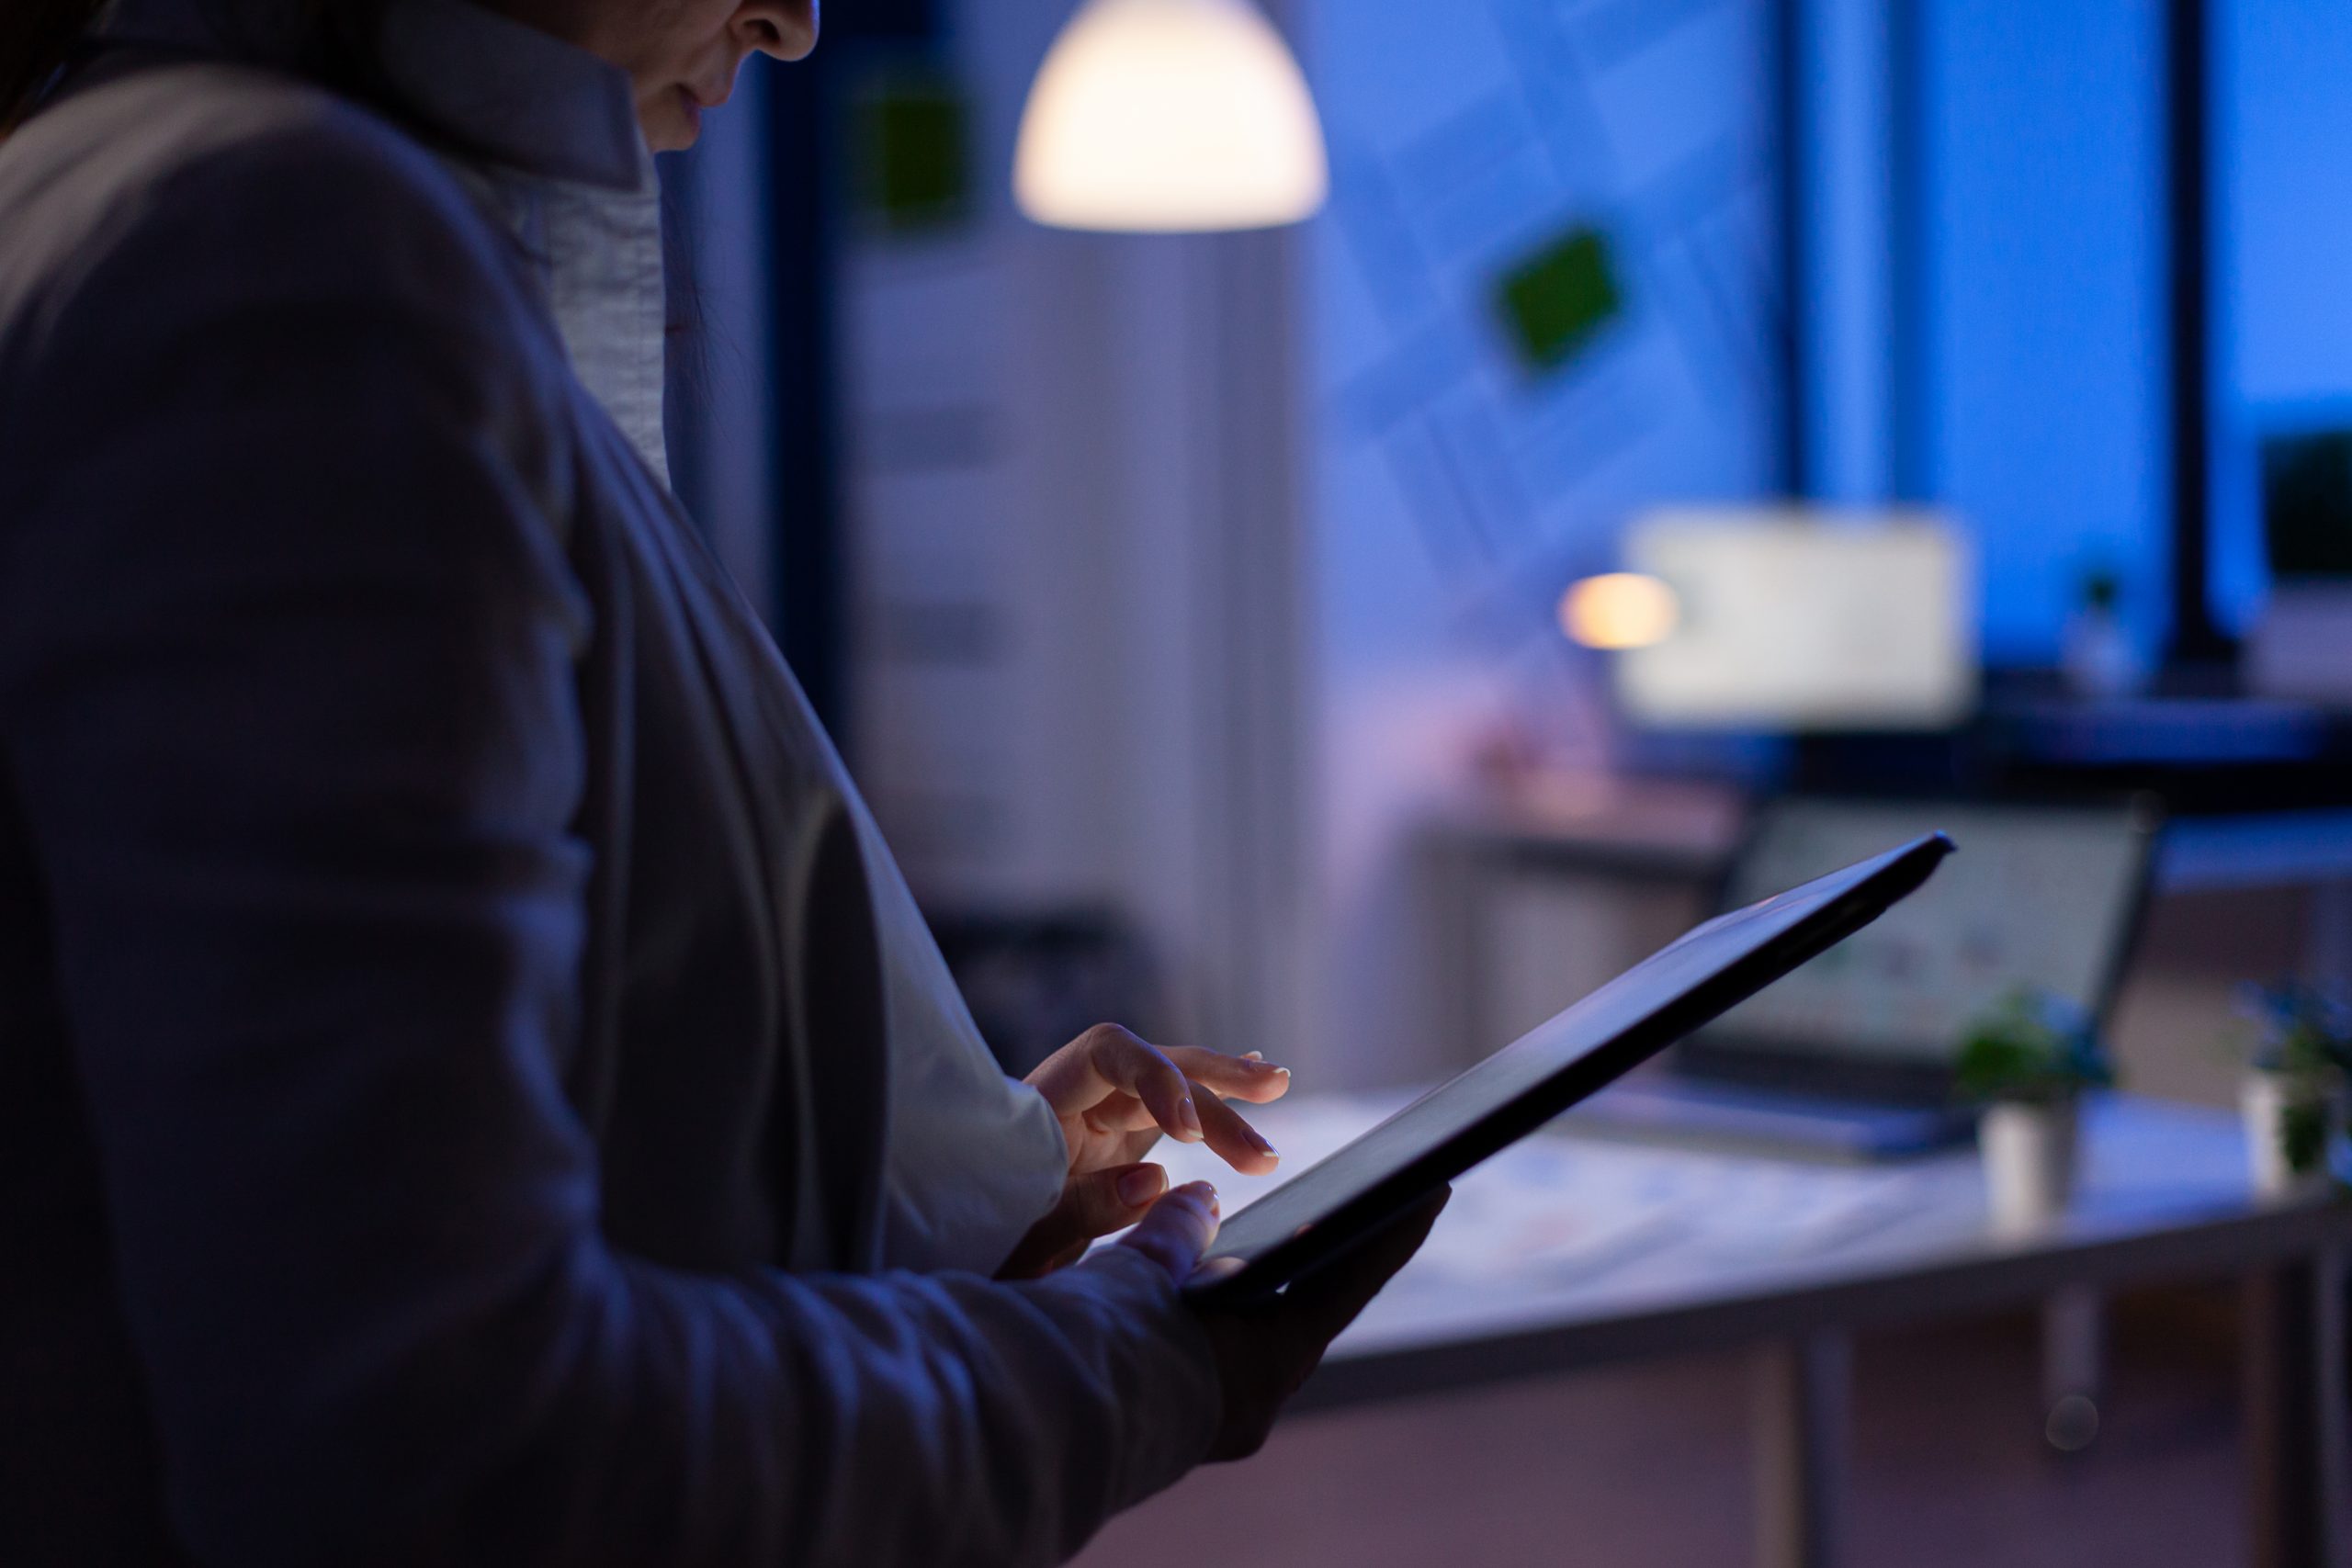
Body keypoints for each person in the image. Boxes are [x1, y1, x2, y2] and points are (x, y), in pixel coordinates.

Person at [0, 1, 1443, 1563]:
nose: (798, 23)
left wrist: (950, 1180)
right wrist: (1148, 1363)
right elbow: (452, 1449)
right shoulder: (280, 260)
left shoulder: (165, 198)